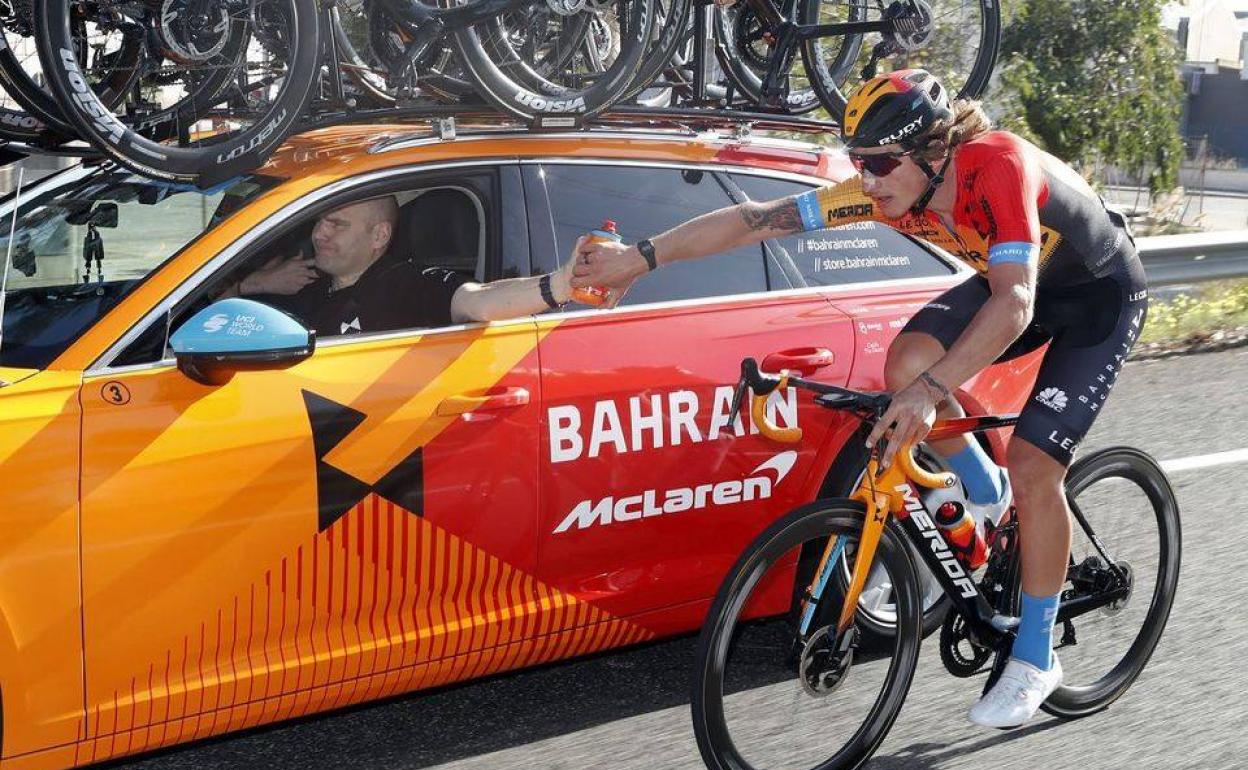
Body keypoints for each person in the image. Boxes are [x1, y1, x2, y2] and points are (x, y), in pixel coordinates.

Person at [572, 69, 1148, 728]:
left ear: (934, 152)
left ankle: (1036, 655)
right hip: (1016, 286)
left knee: (1035, 464)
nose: (866, 179)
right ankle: (980, 488)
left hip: (1096, 296)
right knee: (903, 362)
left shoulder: (995, 165)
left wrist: (932, 395)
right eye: (858, 162)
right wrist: (639, 259)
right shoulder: (884, 192)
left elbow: (1015, 304)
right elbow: (755, 223)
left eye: (878, 163)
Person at [230, 195, 589, 335]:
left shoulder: (404, 284)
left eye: (336, 224)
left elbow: (476, 301)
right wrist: (254, 284)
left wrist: (560, 284)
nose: (318, 232)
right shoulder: (303, 281)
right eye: (320, 220)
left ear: (379, 236)